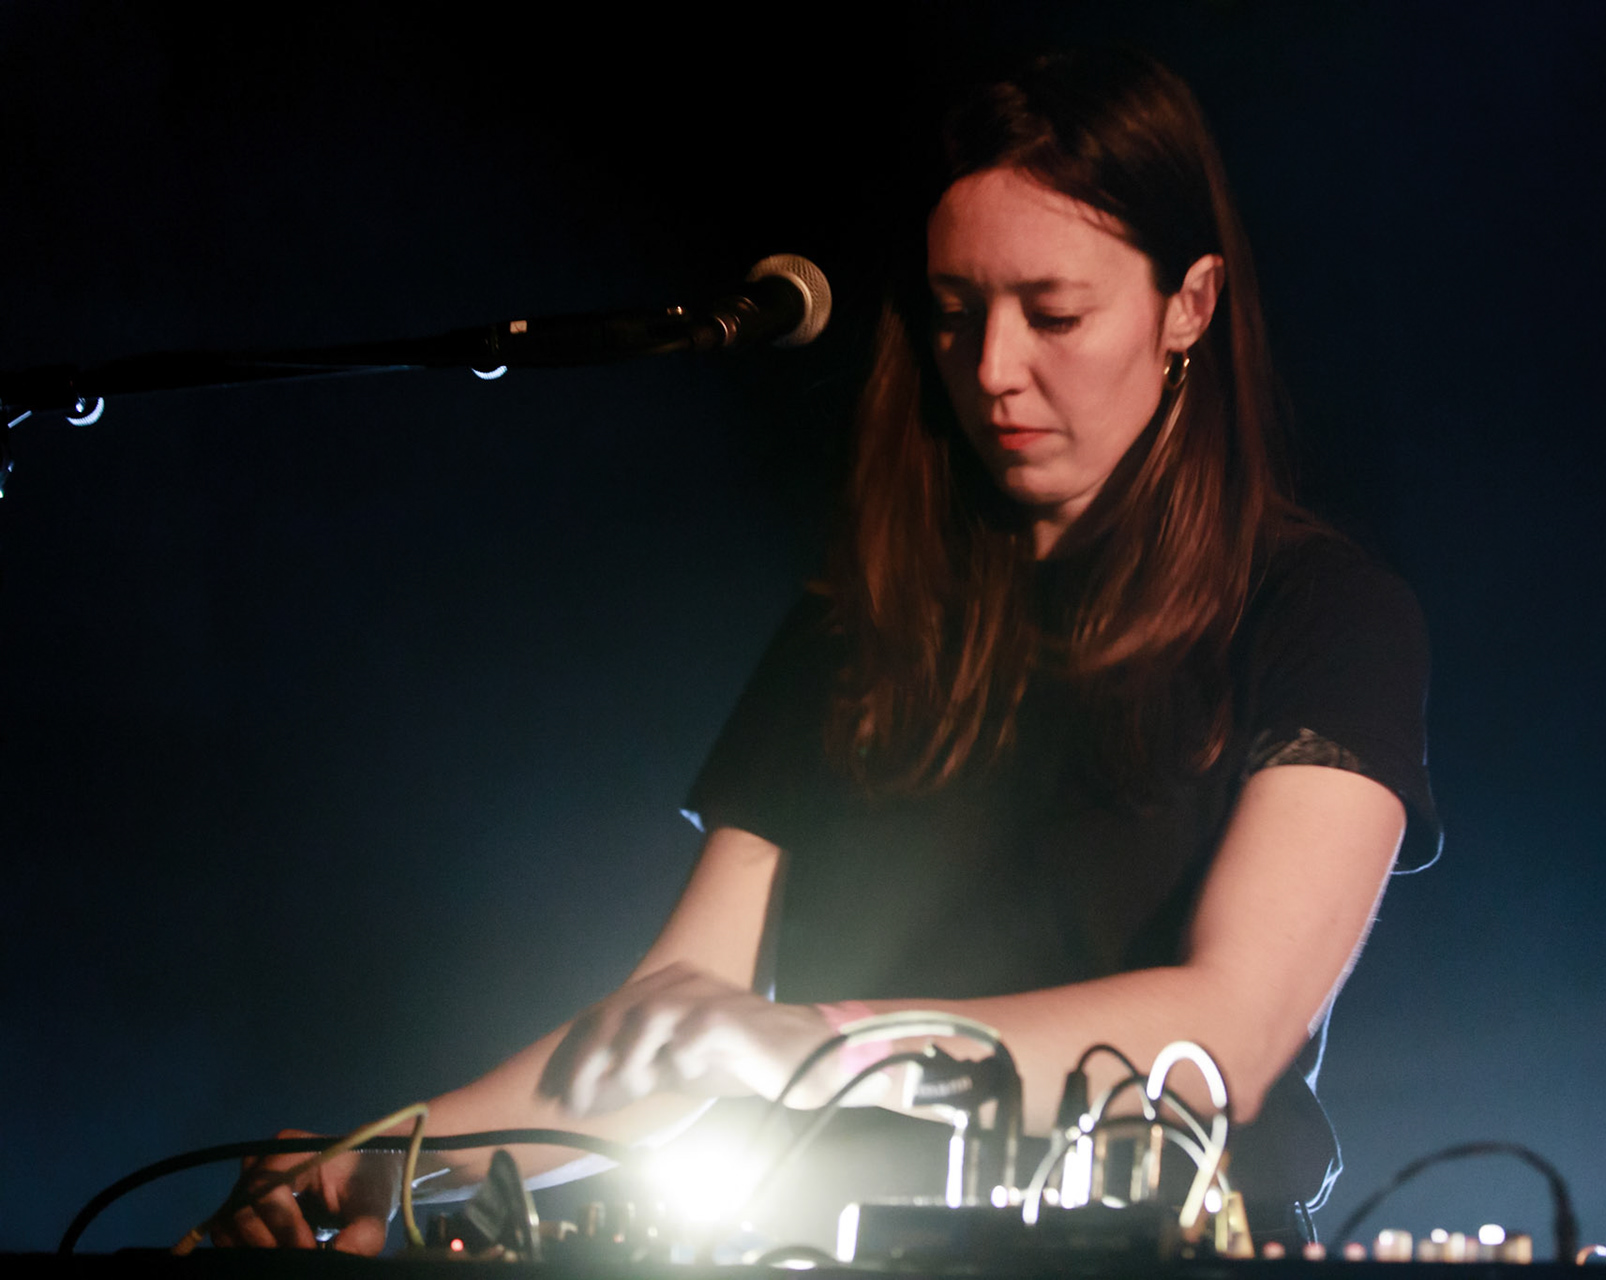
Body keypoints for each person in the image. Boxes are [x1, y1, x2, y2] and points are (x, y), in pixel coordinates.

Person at [211, 46, 1438, 1256]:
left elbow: (1227, 1031)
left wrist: (824, 1043)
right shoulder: (859, 620)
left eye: (1053, 313)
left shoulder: (1325, 614)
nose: (995, 370)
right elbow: (666, 1033)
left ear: (1192, 305)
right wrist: (387, 1162)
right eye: (956, 318)